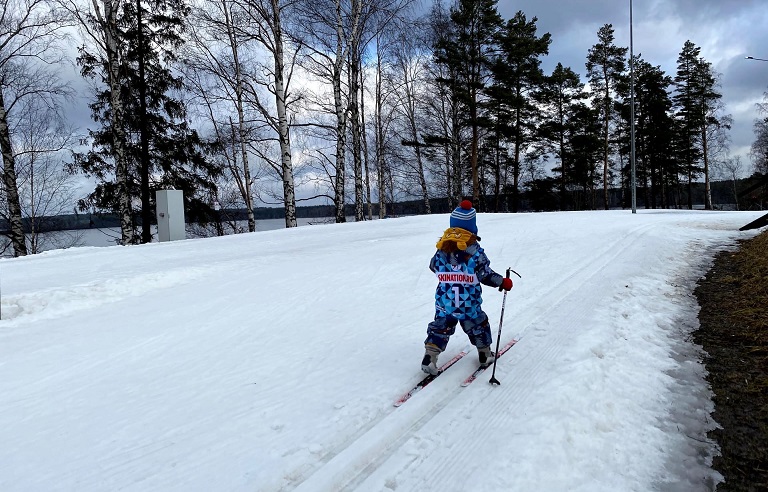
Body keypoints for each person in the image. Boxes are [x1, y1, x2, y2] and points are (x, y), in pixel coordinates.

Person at [421, 200, 513, 375]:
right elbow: (485, 275)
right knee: (478, 325)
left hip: (444, 301)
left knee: (440, 327)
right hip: (468, 302)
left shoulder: (442, 249)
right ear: (471, 227)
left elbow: (433, 266)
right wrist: (502, 282)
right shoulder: (474, 251)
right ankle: (485, 354)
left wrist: (449, 273)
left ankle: (430, 357)